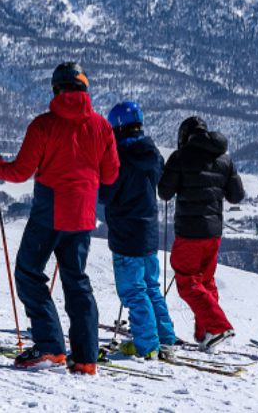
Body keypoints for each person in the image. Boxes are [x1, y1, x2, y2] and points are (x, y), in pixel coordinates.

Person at [0, 62, 119, 375]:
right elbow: (110, 175)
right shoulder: (102, 126)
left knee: (29, 272)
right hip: (83, 215)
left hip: (49, 212)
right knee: (77, 282)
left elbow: (20, 172)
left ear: (56, 89)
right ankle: (85, 358)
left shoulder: (43, 125)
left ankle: (51, 346)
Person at [157, 116, 244, 353]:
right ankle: (206, 334)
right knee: (205, 281)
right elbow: (236, 196)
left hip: (189, 232)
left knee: (186, 280)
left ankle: (218, 327)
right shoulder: (225, 159)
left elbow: (164, 193)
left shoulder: (180, 157)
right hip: (214, 232)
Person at [98, 101, 176, 360]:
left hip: (125, 233)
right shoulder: (152, 154)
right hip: (149, 230)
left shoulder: (118, 157)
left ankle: (147, 345)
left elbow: (105, 195)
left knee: (133, 290)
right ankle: (165, 339)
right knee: (151, 286)